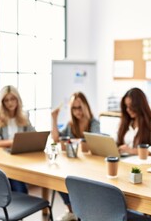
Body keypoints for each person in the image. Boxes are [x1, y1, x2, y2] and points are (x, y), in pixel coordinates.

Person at [51, 91, 100, 221]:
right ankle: (71, 209)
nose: (77, 111)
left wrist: (73, 141)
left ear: (85, 106)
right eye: (74, 108)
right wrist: (54, 118)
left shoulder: (94, 123)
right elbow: (56, 139)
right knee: (59, 178)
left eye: (79, 107)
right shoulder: (70, 124)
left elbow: (94, 142)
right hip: (73, 164)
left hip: (89, 166)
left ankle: (82, 211)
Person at [0, 85, 35, 194]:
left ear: (18, 100)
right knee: (19, 188)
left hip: (20, 156)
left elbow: (33, 134)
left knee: (20, 185)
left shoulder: (24, 115)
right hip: (3, 158)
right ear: (2, 102)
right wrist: (16, 142)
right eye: (6, 100)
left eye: (13, 99)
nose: (10, 103)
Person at [117, 87, 151, 157]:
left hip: (145, 163)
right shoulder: (126, 121)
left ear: (140, 106)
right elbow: (115, 140)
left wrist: (130, 150)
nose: (128, 110)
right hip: (125, 161)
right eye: (126, 106)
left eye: (131, 106)